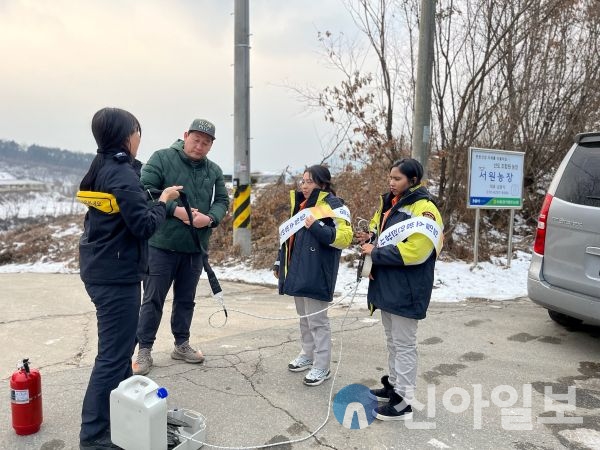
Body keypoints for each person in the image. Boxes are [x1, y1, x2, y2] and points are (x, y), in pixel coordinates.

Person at [77, 107, 182, 449]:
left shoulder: (104, 166)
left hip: (104, 267)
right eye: (137, 130)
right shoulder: (120, 172)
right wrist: (165, 201)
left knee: (119, 354)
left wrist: (148, 198)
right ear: (126, 134)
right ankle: (93, 436)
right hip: (115, 274)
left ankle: (124, 414)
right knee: (113, 356)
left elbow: (125, 211)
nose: (140, 137)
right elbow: (144, 225)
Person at [133, 119, 229, 375]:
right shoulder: (162, 158)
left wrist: (209, 219)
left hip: (195, 246)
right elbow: (145, 191)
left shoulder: (214, 170)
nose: (199, 146)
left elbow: (222, 200)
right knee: (153, 299)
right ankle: (144, 349)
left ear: (211, 146)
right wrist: (177, 212)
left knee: (187, 299)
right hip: (161, 245)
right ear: (185, 136)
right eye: (196, 140)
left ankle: (181, 344)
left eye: (205, 143)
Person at [358, 158, 443, 421]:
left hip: (407, 286)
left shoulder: (424, 209)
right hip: (386, 283)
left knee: (404, 344)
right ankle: (393, 387)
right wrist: (369, 238)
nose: (391, 182)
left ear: (413, 181)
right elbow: (378, 231)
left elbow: (417, 251)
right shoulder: (389, 204)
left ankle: (404, 400)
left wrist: (376, 251)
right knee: (393, 341)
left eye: (397, 179)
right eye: (390, 177)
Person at [274, 165, 353, 386]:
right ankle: (307, 355)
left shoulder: (334, 206)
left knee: (318, 321)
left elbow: (345, 238)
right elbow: (289, 239)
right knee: (304, 318)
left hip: (318, 270)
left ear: (323, 184)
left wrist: (317, 227)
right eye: (303, 181)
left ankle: (322, 366)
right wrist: (280, 261)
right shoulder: (300, 204)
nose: (304, 185)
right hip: (297, 269)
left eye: (309, 181)